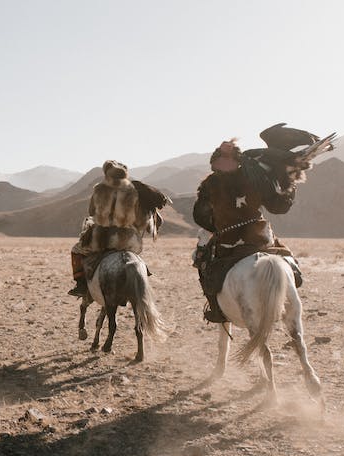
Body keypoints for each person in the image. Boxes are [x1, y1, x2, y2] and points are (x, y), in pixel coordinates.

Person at [193, 138, 303, 323]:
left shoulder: (209, 183)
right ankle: (293, 279)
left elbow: (199, 215)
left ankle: (215, 308)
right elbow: (278, 207)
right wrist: (290, 182)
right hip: (259, 236)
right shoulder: (255, 177)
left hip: (228, 240)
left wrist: (217, 226)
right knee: (288, 260)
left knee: (203, 262)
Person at [67, 160, 168, 297]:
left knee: (76, 250)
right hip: (130, 240)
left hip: (104, 238)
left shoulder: (100, 188)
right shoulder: (132, 190)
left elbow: (91, 211)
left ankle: (81, 285)